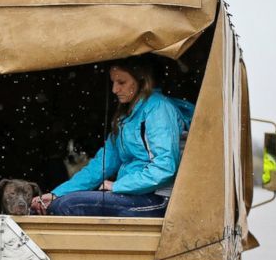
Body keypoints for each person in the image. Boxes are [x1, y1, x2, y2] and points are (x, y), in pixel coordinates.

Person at [30, 59, 193, 218]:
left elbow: (165, 167)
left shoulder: (159, 110)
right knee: (51, 204)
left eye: (121, 82)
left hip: (159, 198)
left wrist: (117, 186)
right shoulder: (126, 117)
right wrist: (56, 194)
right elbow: (99, 167)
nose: (114, 89)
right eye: (113, 82)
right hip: (132, 194)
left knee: (68, 205)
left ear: (142, 81)